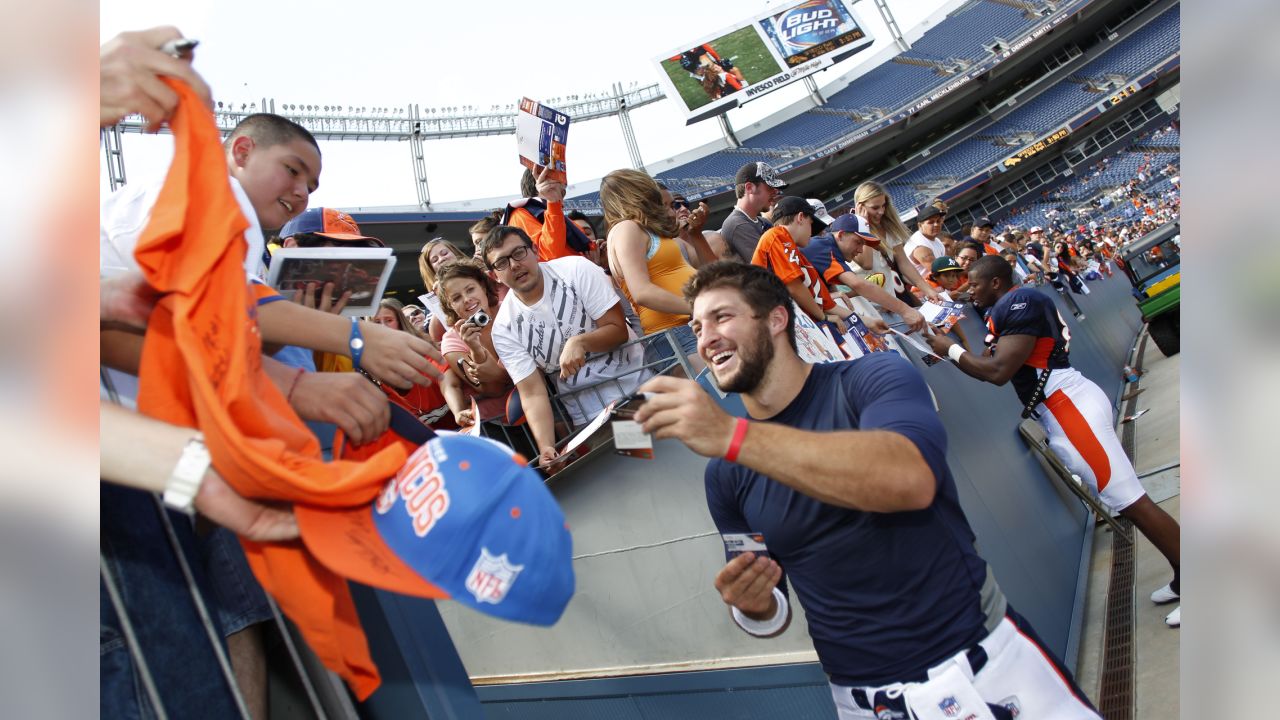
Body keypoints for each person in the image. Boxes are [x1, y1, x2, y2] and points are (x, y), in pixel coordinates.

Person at [633, 262, 1101, 719]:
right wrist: (755, 608)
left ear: (777, 318)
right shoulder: (725, 475)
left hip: (983, 665)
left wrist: (734, 438)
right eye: (696, 327)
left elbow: (910, 480)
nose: (705, 336)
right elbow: (768, 598)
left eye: (722, 317)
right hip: (862, 700)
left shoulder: (872, 380)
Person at [925, 256, 1181, 628]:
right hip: (1061, 404)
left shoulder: (1019, 302)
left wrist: (950, 348)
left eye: (975, 284)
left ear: (996, 283)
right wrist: (948, 350)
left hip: (1065, 404)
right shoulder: (1010, 305)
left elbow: (997, 372)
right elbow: (989, 362)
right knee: (1127, 501)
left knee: (1133, 501)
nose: (969, 290)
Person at [481, 226, 644, 469]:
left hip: (635, 389)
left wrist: (580, 342)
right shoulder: (504, 327)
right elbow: (532, 392)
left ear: (535, 250)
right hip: (590, 418)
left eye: (518, 253)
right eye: (502, 262)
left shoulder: (576, 270)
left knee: (658, 468)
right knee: (635, 481)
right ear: (494, 276)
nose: (514, 265)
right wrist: (546, 445)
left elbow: (617, 329)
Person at [600, 169, 713, 368]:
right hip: (675, 336)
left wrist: (696, 235)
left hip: (686, 330)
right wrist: (698, 306)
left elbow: (712, 271)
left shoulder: (646, 231)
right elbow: (642, 291)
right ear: (637, 194)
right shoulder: (627, 228)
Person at [800, 212, 924, 333]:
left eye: (863, 244)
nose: (860, 250)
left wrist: (867, 319)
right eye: (858, 242)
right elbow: (858, 285)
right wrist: (905, 310)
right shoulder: (823, 246)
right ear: (841, 235)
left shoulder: (831, 249)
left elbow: (831, 297)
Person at [749, 196, 852, 335]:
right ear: (801, 217)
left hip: (785, 322)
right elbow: (794, 287)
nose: (812, 233)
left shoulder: (798, 254)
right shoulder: (776, 235)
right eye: (811, 224)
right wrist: (823, 317)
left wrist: (865, 320)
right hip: (772, 323)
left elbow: (826, 303)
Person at [433, 261, 517, 428]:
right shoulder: (452, 343)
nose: (467, 299)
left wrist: (498, 374)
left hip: (547, 398)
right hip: (498, 424)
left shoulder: (512, 309)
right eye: (456, 298)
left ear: (483, 286)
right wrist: (475, 348)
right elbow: (494, 390)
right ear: (450, 306)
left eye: (470, 289)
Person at [850, 182, 940, 303]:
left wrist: (928, 290)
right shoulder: (851, 230)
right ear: (860, 207)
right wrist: (863, 226)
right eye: (875, 207)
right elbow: (866, 263)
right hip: (867, 302)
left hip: (890, 296)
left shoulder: (888, 227)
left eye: (883, 205)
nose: (881, 211)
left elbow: (904, 263)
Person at [505, 165, 593, 261]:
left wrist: (599, 256)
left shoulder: (563, 219)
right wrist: (553, 204)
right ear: (542, 184)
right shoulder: (519, 215)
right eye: (559, 193)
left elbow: (584, 256)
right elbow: (550, 255)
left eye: (562, 195)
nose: (562, 203)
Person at [720, 161, 787, 263]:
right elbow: (772, 266)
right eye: (770, 187)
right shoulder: (737, 224)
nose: (776, 191)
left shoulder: (763, 221)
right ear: (749, 188)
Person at [417, 237, 470, 341]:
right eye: (435, 260)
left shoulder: (481, 273)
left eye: (444, 253)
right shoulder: (433, 301)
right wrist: (441, 300)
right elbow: (436, 337)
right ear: (431, 269)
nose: (442, 259)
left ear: (455, 252)